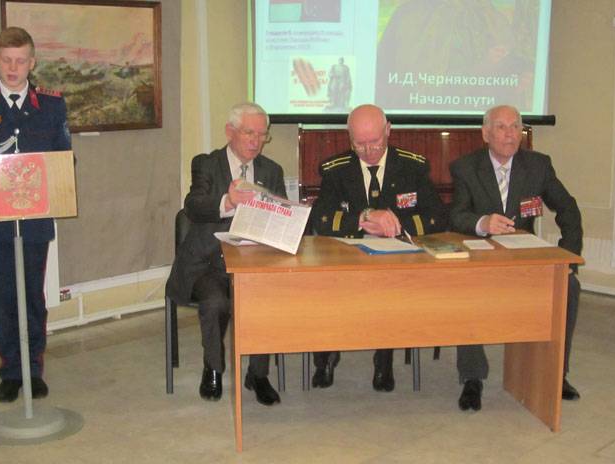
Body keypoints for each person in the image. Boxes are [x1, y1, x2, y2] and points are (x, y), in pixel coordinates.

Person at [449, 104, 583, 411]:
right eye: (501, 127)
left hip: (524, 258)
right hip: (481, 256)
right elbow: (456, 215)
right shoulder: (465, 167)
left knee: (568, 286)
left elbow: (568, 209)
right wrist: (482, 222)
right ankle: (472, 377)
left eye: (515, 127)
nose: (510, 134)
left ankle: (556, 373)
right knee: (466, 287)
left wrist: (568, 257)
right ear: (486, 134)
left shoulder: (538, 165)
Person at [310, 104, 447, 391]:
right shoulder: (336, 169)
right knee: (322, 287)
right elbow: (321, 219)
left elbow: (437, 217)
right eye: (359, 144)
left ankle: (384, 358)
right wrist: (363, 218)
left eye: (374, 142)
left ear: (388, 131)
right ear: (350, 138)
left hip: (395, 258)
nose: (368, 151)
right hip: (346, 257)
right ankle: (325, 355)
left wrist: (395, 223)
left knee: (390, 287)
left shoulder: (412, 167)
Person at [0, 27, 71, 402]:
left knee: (31, 297)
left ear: (32, 63)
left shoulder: (52, 106)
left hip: (34, 221)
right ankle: (11, 371)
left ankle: (33, 369)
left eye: (21, 61)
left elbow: (63, 159)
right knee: (1, 298)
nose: (13, 68)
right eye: (7, 60)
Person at [166, 102, 286, 406]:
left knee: (265, 301)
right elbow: (193, 206)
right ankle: (213, 368)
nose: (256, 141)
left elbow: (281, 215)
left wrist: (286, 217)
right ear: (230, 131)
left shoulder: (272, 171)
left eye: (262, 135)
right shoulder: (206, 164)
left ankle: (257, 375)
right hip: (209, 262)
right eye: (249, 133)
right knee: (216, 302)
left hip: (253, 263)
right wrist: (228, 202)